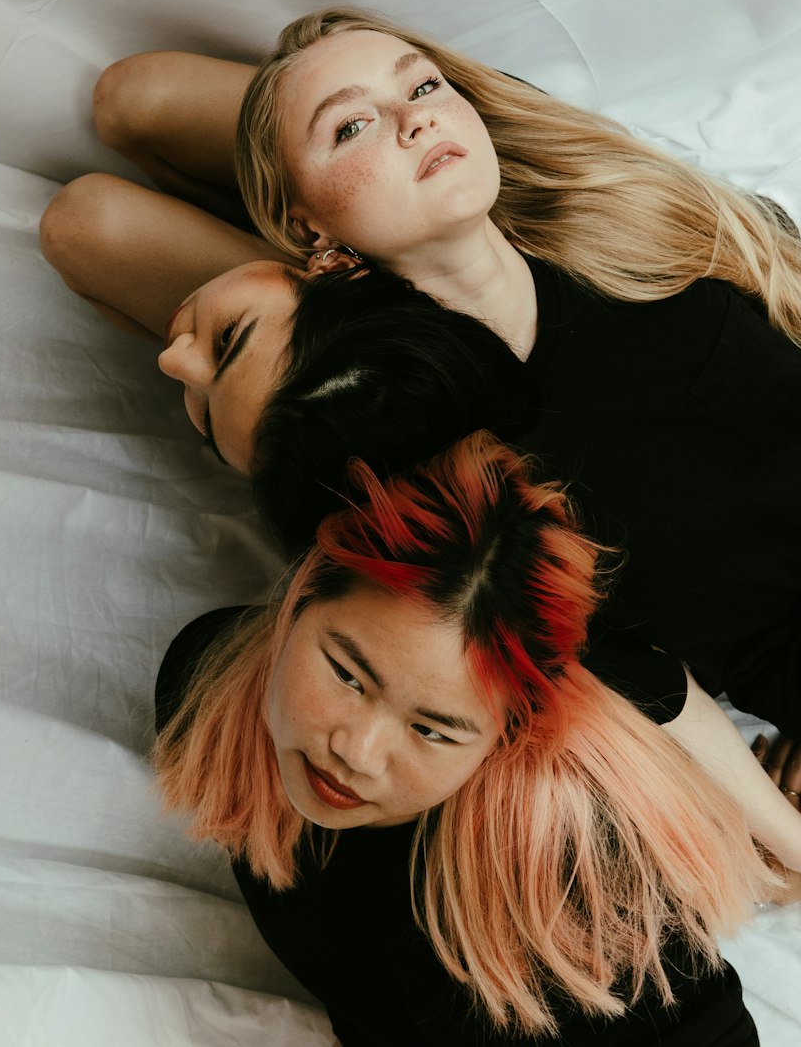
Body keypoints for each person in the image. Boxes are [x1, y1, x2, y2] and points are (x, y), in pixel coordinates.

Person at [39, 5, 801, 784]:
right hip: (491, 257)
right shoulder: (605, 215)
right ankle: (321, 165)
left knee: (100, 188)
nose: (414, 117)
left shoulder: (437, 451)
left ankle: (324, 179)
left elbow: (88, 226)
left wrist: (342, 158)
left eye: (424, 88)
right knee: (130, 104)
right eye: (361, 122)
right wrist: (360, 117)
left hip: (388, 337)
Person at [154, 434, 778, 1046]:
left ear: (506, 738)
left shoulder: (563, 891)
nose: (356, 752)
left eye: (432, 730)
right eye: (347, 675)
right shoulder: (200, 688)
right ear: (302, 594)